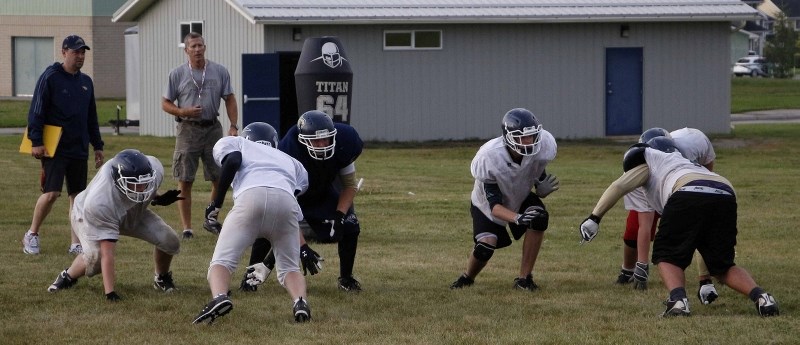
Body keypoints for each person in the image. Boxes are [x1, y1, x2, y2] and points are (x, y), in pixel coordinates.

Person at [579, 137, 779, 317]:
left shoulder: (651, 159)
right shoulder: (687, 162)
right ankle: (762, 297)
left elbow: (619, 186)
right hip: (724, 191)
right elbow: (703, 246)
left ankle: (678, 301)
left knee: (666, 255)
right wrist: (704, 279)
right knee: (723, 265)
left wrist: (594, 217)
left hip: (686, 190)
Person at [193, 122, 311, 324]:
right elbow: (296, 191)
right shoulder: (290, 160)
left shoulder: (236, 143)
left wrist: (216, 204)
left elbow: (233, 160)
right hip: (286, 201)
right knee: (291, 267)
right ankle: (300, 302)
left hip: (251, 198)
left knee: (222, 261)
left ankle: (220, 297)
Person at [241, 110, 365, 292]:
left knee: (350, 224)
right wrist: (302, 247)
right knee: (268, 229)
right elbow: (286, 211)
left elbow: (349, 185)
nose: (322, 144)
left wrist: (339, 216)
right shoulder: (288, 152)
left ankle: (346, 279)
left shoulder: (345, 141)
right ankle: (250, 278)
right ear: (303, 140)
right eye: (316, 140)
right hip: (291, 195)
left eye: (326, 139)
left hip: (323, 190)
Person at [47, 149, 183, 301]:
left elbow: (142, 186)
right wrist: (110, 293)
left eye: (144, 183)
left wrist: (158, 198)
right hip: (89, 216)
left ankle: (161, 278)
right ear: (119, 180)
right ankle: (68, 276)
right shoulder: (100, 202)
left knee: (169, 240)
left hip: (131, 210)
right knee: (96, 259)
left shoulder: (154, 168)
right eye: (134, 184)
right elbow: (108, 254)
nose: (141, 189)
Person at [450, 108, 559, 291]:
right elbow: (495, 206)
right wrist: (517, 218)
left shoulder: (543, 146)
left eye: (532, 136)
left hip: (521, 193)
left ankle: (524, 279)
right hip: (487, 204)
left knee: (539, 218)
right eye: (522, 137)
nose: (528, 142)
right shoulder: (489, 156)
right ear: (508, 137)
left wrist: (541, 188)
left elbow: (535, 170)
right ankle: (467, 277)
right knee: (485, 247)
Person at [616, 128, 721, 305]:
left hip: (684, 188)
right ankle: (628, 270)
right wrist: (642, 264)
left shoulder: (693, 145)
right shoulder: (642, 168)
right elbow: (644, 223)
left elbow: (708, 172)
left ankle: (705, 279)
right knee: (633, 231)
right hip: (662, 186)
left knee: (697, 230)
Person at [23, 34, 105, 255]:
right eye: (76, 51)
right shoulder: (50, 77)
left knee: (77, 198)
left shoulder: (86, 82)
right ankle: (31, 234)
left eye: (83, 52)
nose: (80, 56)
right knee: (52, 193)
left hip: (78, 148)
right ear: (64, 52)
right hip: (54, 147)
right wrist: (36, 141)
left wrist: (97, 145)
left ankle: (76, 243)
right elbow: (36, 111)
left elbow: (91, 117)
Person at [161, 32, 239, 239]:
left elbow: (229, 98)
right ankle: (187, 228)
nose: (197, 50)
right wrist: (182, 112)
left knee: (218, 177)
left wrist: (233, 126)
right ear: (186, 50)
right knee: (185, 179)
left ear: (205, 48)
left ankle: (211, 218)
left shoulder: (219, 71)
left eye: (200, 46)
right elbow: (165, 103)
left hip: (212, 128)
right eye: (193, 46)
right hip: (188, 129)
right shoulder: (177, 74)